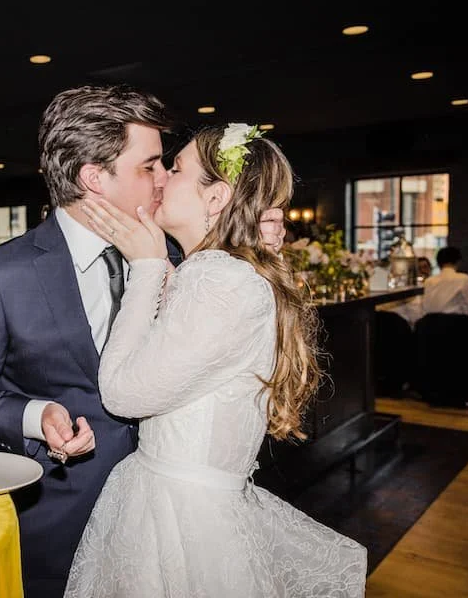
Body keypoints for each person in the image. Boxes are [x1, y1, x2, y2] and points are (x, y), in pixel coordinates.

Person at [0, 86, 285, 597]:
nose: (163, 178)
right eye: (150, 166)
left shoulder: (189, 259)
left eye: (166, 166)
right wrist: (35, 415)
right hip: (56, 516)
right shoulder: (3, 274)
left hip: (171, 529)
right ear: (93, 177)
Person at [64, 123, 367, 597]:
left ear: (217, 197)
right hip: (179, 500)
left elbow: (122, 394)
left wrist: (144, 269)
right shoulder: (213, 273)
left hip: (179, 518)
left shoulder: (221, 280)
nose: (161, 177)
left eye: (176, 168)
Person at [422, 246, 468, 318]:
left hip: (433, 324)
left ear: (438, 263)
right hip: (456, 324)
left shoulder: (429, 281)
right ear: (458, 261)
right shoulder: (464, 279)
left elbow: (426, 307)